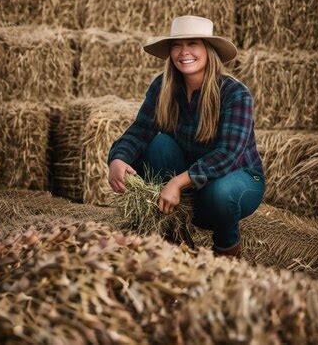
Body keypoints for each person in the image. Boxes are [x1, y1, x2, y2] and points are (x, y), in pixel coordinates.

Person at [108, 15, 266, 259]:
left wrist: (178, 182)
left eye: (193, 43)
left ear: (208, 49)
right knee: (158, 144)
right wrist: (117, 159)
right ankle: (176, 242)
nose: (184, 52)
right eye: (177, 45)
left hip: (237, 176)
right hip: (190, 178)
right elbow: (141, 130)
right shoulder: (163, 86)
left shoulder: (235, 94)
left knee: (221, 194)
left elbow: (228, 155)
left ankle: (227, 250)